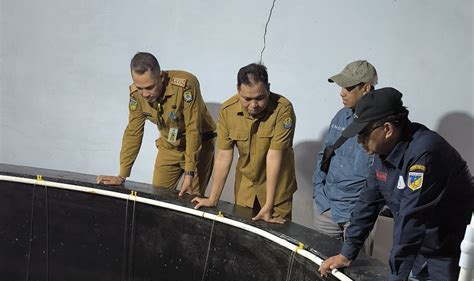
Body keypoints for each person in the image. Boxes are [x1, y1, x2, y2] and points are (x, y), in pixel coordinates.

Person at [320, 87, 474, 281]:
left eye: (363, 133)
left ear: (388, 129)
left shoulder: (425, 153)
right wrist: (347, 253)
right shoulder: (382, 154)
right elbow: (367, 203)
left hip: (456, 260)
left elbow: (412, 218)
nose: (360, 141)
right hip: (422, 257)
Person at [97, 52, 215, 196]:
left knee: (191, 200)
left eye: (149, 87)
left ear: (161, 77)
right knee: (157, 197)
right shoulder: (136, 95)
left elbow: (193, 128)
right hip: (169, 146)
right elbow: (133, 132)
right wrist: (122, 175)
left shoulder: (186, 85)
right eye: (139, 88)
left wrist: (189, 173)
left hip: (198, 145)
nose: (145, 94)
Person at [192, 63, 297, 223]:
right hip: (245, 186)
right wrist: (213, 199)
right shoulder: (228, 111)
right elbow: (223, 157)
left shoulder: (283, 110)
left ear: (268, 88)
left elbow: (274, 157)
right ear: (238, 90)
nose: (254, 105)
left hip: (277, 188)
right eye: (247, 99)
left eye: (260, 98)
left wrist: (269, 205)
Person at [313, 60, 378, 238]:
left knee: (356, 265)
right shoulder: (341, 115)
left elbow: (387, 171)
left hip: (357, 214)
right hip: (326, 208)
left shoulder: (381, 124)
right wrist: (318, 193)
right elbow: (325, 154)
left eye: (348, 88)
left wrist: (367, 209)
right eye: (341, 87)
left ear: (365, 88)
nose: (342, 93)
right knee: (319, 262)